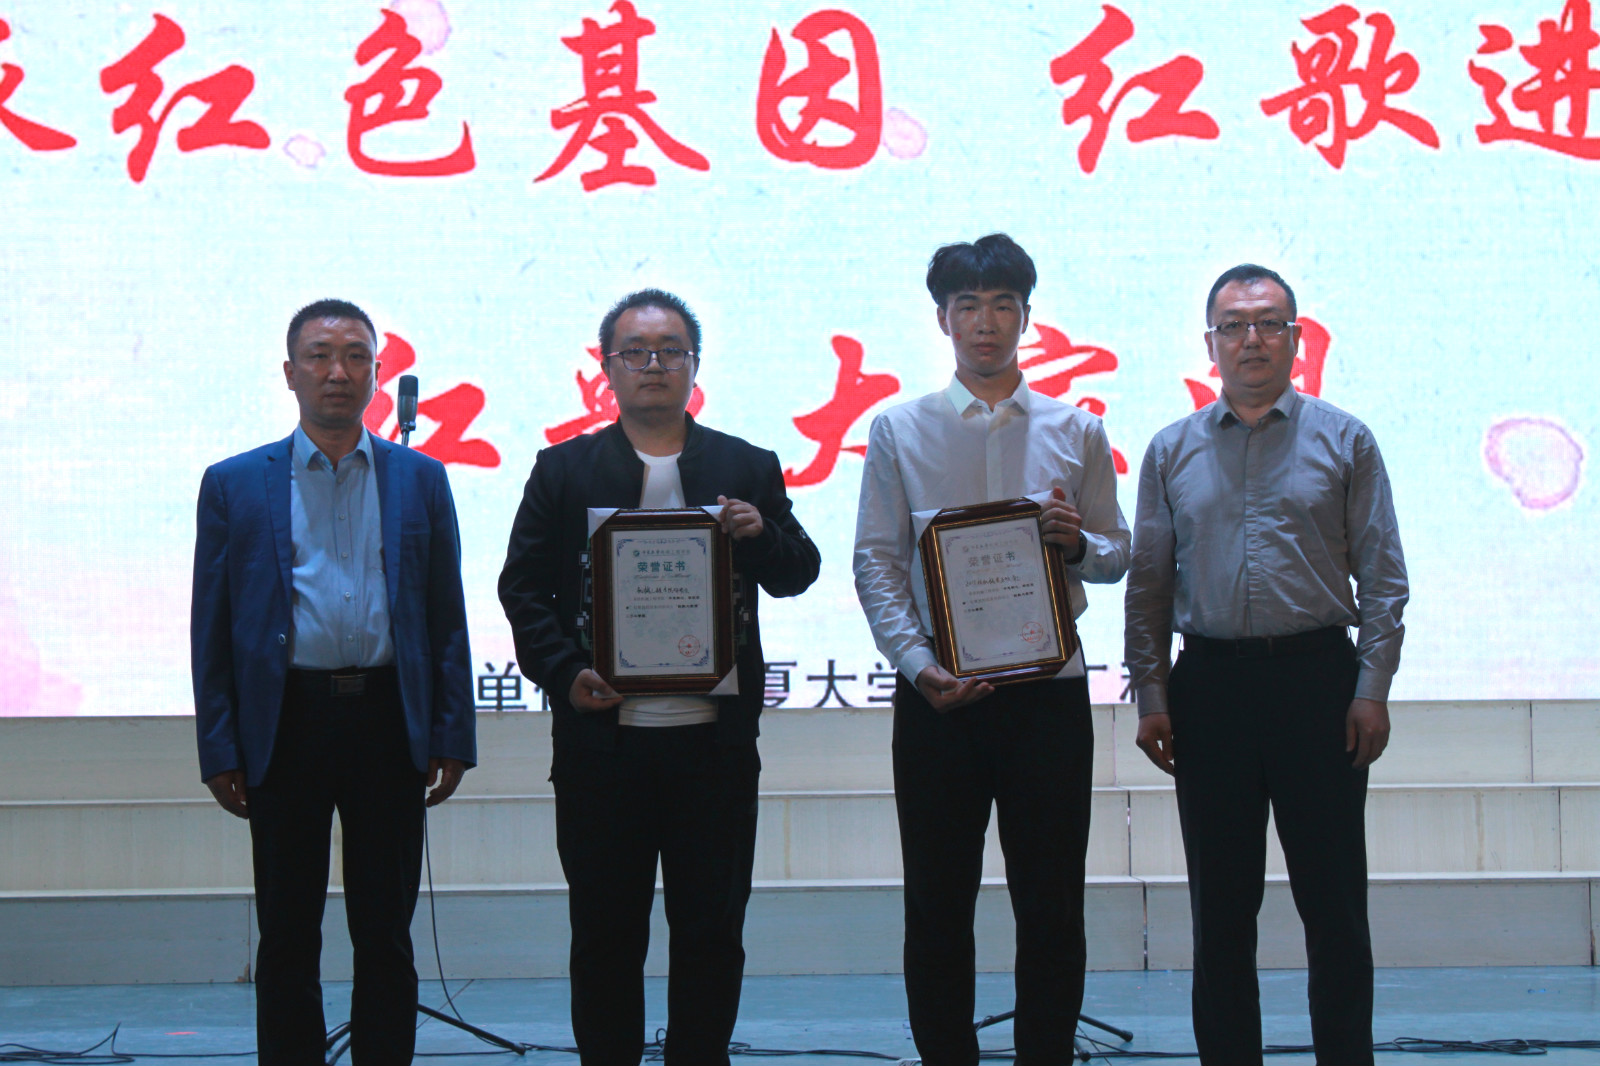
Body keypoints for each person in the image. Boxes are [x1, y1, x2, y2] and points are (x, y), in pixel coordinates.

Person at [498, 289, 820, 1065]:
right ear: (607, 367)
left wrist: (760, 535)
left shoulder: (745, 465)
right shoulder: (564, 469)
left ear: (694, 366)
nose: (654, 364)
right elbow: (523, 590)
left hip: (714, 748)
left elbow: (798, 571)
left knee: (712, 931)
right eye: (636, 351)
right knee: (604, 933)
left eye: (671, 350)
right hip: (603, 749)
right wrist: (565, 672)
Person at [852, 234, 1130, 1065]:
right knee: (938, 902)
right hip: (939, 696)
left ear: (1026, 317)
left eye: (1003, 304)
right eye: (968, 305)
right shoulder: (899, 430)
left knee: (1052, 902)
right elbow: (875, 561)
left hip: (1047, 694)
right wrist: (918, 666)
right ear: (943, 319)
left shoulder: (1076, 429)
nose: (985, 322)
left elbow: (1118, 551)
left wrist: (1077, 544)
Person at [1124, 264, 1409, 1066]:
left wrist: (1372, 688)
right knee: (1220, 912)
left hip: (1318, 684)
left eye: (1269, 323)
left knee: (1334, 907)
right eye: (1234, 325)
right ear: (1210, 342)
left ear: (1296, 336)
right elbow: (1148, 584)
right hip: (1210, 688)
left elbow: (1384, 577)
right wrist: (1151, 693)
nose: (1252, 339)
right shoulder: (1171, 450)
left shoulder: (1346, 440)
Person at [191, 298, 476, 1065]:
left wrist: (452, 732)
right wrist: (219, 746)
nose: (337, 371)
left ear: (377, 374)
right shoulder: (234, 483)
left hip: (388, 718)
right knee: (288, 929)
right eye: (319, 355)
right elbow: (212, 628)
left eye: (355, 356)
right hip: (287, 721)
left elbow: (446, 617)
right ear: (290, 373)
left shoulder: (420, 479)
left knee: (385, 930)